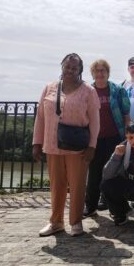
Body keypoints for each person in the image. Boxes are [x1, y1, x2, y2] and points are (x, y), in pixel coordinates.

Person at [32, 53, 100, 237]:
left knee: (77, 185)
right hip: (53, 144)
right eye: (67, 67)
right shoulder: (50, 88)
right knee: (57, 184)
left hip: (77, 146)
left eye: (74, 68)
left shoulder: (88, 91)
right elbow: (40, 117)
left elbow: (94, 121)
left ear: (80, 70)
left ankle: (76, 221)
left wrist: (92, 146)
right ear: (62, 66)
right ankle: (56, 222)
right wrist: (37, 143)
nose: (70, 70)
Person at [83, 59, 131, 218]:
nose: (100, 73)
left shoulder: (117, 90)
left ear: (108, 72)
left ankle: (115, 207)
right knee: (94, 173)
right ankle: (90, 206)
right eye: (97, 70)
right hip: (94, 139)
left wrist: (126, 135)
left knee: (113, 173)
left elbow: (126, 114)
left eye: (103, 70)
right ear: (93, 73)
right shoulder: (87, 91)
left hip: (114, 137)